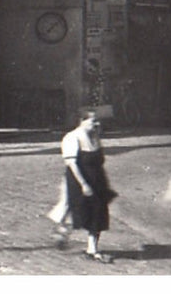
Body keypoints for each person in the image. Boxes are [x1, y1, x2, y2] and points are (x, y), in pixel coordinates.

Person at [59, 108, 117, 263]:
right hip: (80, 181)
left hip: (97, 180)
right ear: (82, 121)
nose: (96, 124)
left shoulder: (94, 137)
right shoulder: (72, 137)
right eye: (93, 121)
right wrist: (84, 184)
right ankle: (63, 228)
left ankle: (92, 249)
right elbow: (72, 164)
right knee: (81, 212)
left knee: (98, 214)